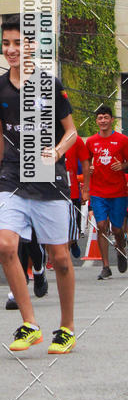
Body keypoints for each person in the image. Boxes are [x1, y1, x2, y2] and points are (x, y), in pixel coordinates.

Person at [0, 17, 78, 354]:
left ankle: (67, 328)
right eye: (6, 43)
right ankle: (30, 323)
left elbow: (71, 132)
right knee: (6, 245)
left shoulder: (50, 84)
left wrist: (55, 151)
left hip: (48, 178)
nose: (11, 50)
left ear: (31, 47)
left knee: (61, 258)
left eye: (18, 43)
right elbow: (1, 131)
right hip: (12, 175)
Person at [85, 106, 128, 279]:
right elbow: (85, 161)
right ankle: (105, 266)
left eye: (106, 117)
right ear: (97, 121)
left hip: (118, 192)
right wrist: (90, 169)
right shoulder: (91, 142)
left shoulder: (123, 140)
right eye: (100, 118)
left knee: (117, 229)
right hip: (98, 191)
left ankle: (120, 249)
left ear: (112, 120)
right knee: (101, 226)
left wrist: (123, 166)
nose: (102, 120)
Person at [64, 133, 90, 258]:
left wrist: (85, 190)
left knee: (72, 228)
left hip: (72, 193)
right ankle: (55, 259)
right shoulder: (45, 137)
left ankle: (73, 242)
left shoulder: (76, 140)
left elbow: (85, 166)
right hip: (52, 192)